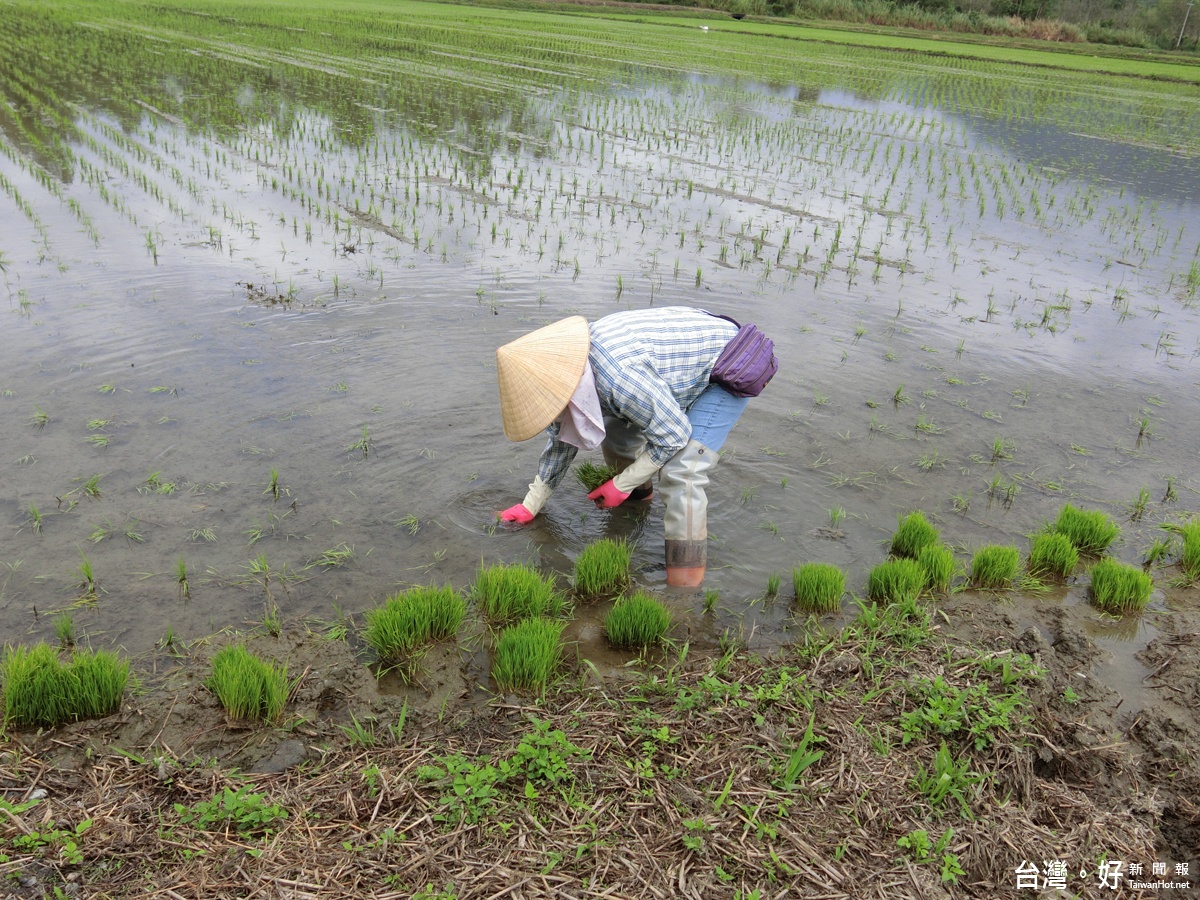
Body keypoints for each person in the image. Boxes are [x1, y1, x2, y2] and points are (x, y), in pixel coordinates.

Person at [494, 306, 772, 587]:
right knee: (617, 433)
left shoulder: (619, 378)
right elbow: (563, 438)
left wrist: (620, 484)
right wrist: (530, 505)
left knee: (681, 472)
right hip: (674, 363)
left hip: (730, 362)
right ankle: (639, 503)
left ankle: (684, 587)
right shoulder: (563, 377)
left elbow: (674, 435)